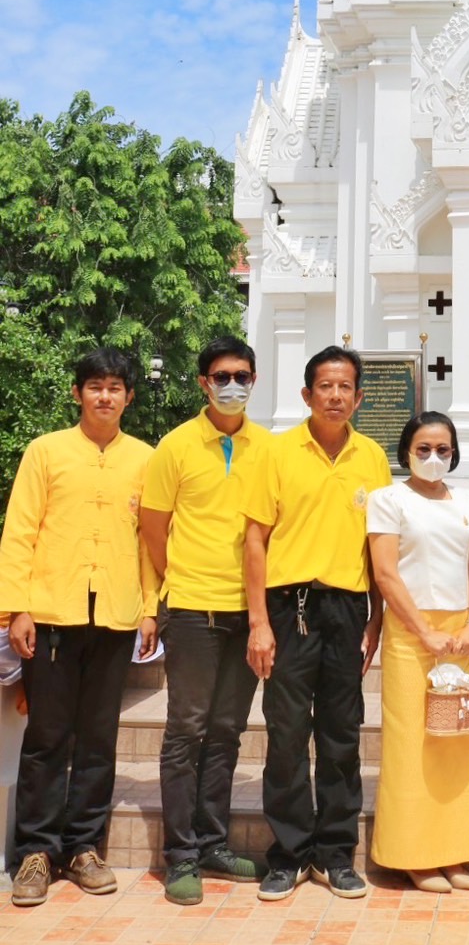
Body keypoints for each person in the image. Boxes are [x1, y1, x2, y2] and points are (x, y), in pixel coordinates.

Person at [0, 348, 159, 907]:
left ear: (129, 397)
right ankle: (36, 854)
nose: (105, 396)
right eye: (95, 386)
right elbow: (20, 530)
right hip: (51, 615)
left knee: (98, 737)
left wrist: (149, 607)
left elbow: (149, 539)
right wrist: (16, 606)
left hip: (114, 614)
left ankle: (84, 847)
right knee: (47, 738)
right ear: (78, 393)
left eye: (116, 387)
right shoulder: (46, 452)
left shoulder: (145, 458)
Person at [243, 346, 391, 901]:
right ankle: (287, 854)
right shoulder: (278, 454)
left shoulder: (372, 458)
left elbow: (379, 543)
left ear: (358, 396)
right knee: (285, 733)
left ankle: (334, 853)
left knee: (340, 733)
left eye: (345, 387)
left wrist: (375, 615)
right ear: (306, 395)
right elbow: (255, 539)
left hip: (347, 610)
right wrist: (259, 622)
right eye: (324, 387)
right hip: (289, 609)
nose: (335, 396)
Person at [139, 335, 273, 905]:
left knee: (227, 730)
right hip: (193, 609)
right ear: (202, 383)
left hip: (249, 612)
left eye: (242, 375)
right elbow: (152, 526)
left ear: (254, 380)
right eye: (221, 376)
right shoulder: (174, 446)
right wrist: (181, 584)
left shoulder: (268, 447)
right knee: (185, 729)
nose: (232, 385)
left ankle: (214, 844)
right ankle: (182, 855)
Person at [367, 412, 469, 891]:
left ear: (454, 452)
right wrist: (423, 632)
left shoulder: (468, 501)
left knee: (457, 741)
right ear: (406, 452)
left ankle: (455, 852)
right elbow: (386, 574)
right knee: (412, 743)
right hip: (410, 633)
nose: (434, 458)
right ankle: (414, 855)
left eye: (443, 449)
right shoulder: (388, 500)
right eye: (423, 449)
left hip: (460, 635)